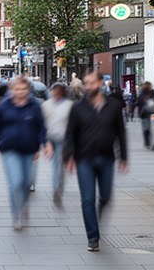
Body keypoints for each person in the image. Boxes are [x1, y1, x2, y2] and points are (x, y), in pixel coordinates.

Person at [65, 72, 130, 252]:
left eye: (92, 83)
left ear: (101, 83)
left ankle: (99, 213)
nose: (88, 86)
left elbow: (121, 132)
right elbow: (70, 135)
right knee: (87, 199)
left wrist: (123, 157)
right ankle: (93, 237)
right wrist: (70, 156)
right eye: (86, 83)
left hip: (106, 158)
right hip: (84, 158)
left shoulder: (114, 106)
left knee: (106, 197)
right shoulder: (77, 108)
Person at [0, 76, 46, 230]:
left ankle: (23, 203)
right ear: (12, 90)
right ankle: (17, 214)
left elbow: (41, 127)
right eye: (17, 89)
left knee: (27, 182)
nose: (20, 92)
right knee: (15, 182)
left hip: (30, 149)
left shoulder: (34, 106)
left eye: (23, 89)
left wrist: (44, 144)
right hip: (10, 149)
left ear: (28, 90)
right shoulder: (5, 105)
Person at [41, 82, 74, 205]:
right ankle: (56, 187)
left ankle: (59, 185)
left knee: (61, 164)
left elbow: (73, 124)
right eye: (54, 91)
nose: (55, 94)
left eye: (58, 92)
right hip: (50, 139)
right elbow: (42, 123)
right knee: (55, 163)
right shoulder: (46, 105)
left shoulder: (69, 105)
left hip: (63, 138)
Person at [137, 81, 154, 151]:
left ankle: (149, 143)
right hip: (144, 113)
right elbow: (138, 102)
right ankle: (148, 143)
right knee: (146, 129)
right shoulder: (142, 93)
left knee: (149, 128)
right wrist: (144, 101)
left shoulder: (152, 92)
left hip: (152, 112)